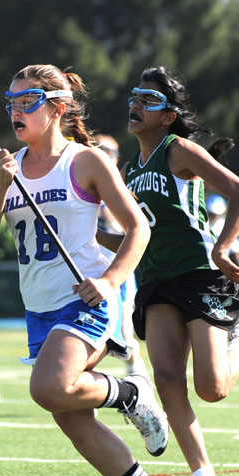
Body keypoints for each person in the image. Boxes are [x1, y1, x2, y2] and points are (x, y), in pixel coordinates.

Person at [0, 64, 180, 476]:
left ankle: (129, 393)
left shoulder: (84, 161)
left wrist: (108, 281)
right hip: (37, 307)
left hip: (83, 300)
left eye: (28, 102)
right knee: (69, 417)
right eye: (11, 102)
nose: (16, 111)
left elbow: (138, 229)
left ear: (57, 108)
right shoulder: (4, 168)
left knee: (47, 388)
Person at [97, 65, 239, 476]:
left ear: (168, 116)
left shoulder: (178, 150)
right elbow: (136, 234)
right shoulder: (129, 170)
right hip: (156, 281)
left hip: (198, 273)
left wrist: (224, 247)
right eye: (134, 96)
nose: (135, 104)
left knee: (211, 389)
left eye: (148, 100)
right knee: (168, 383)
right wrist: (88, 233)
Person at [95, 133, 148, 376]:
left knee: (124, 337)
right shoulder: (80, 180)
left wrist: (114, 221)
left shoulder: (123, 188)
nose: (103, 153)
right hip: (85, 266)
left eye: (109, 150)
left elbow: (139, 229)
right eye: (97, 148)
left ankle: (138, 378)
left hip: (118, 269)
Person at [206, 192, 239, 269]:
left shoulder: (224, 225)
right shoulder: (203, 223)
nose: (213, 217)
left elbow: (236, 249)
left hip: (219, 267)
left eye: (215, 214)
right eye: (211, 214)